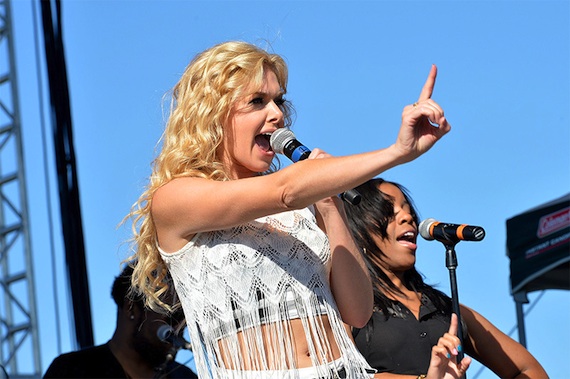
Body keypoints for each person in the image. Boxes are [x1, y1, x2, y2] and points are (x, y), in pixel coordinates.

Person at [126, 40, 466, 378]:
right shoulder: (176, 198)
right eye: (257, 101)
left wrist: (331, 208)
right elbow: (285, 190)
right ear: (212, 112)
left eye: (279, 100)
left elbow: (359, 312)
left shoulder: (303, 208)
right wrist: (396, 152)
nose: (277, 114)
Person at [343, 178, 549, 379]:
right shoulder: (346, 308)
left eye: (408, 210)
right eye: (388, 211)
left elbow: (530, 370)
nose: (407, 217)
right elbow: (337, 373)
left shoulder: (444, 309)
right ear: (359, 231)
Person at [43, 264, 198, 378]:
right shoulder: (69, 371)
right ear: (131, 308)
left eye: (184, 319)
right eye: (173, 316)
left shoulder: (185, 376)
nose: (179, 328)